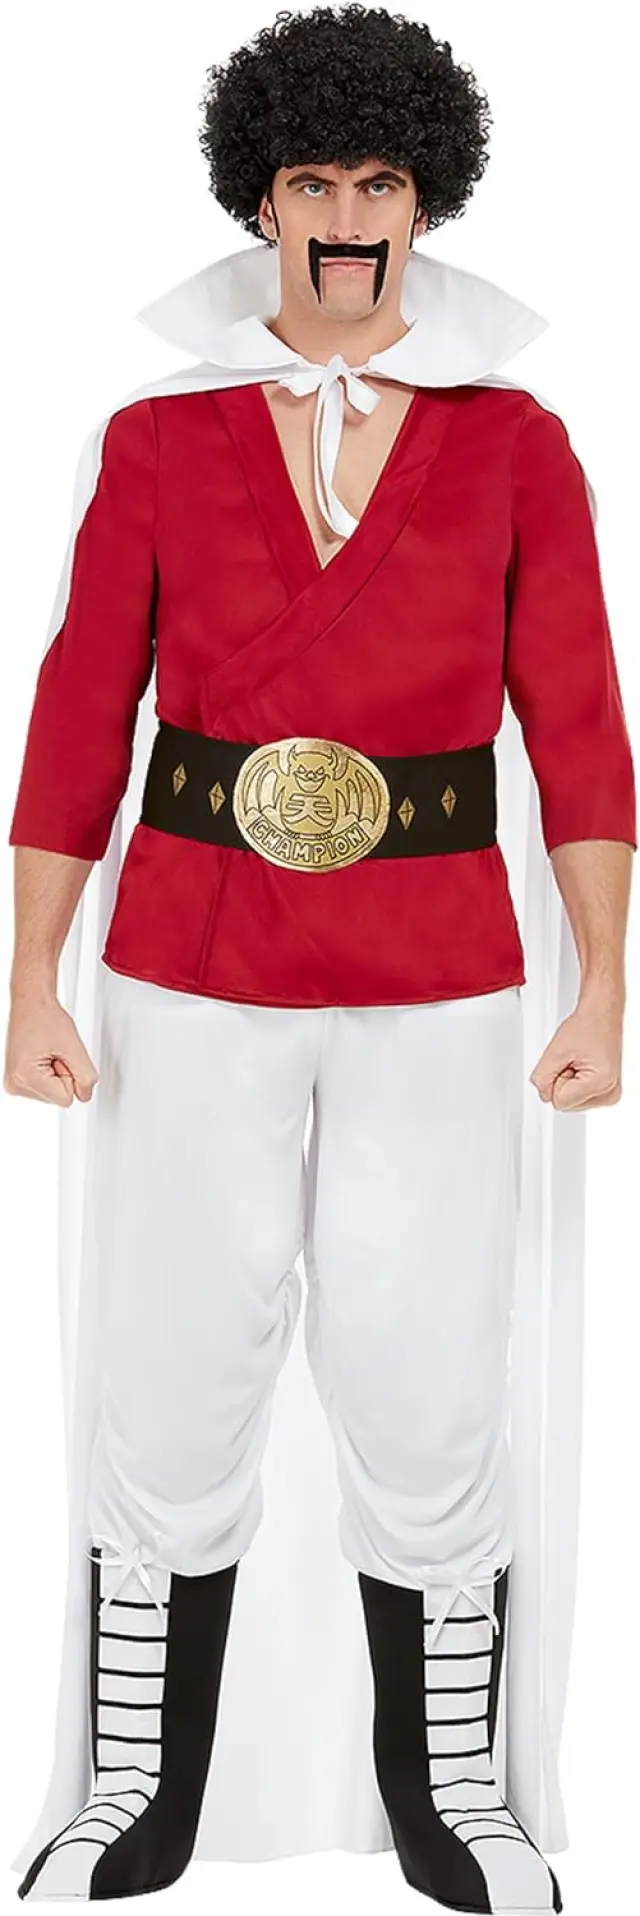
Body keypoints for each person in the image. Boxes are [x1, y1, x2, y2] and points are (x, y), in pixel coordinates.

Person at [4, 5, 636, 1909]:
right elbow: (77, 717)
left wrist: (603, 981)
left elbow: (581, 727)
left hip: (438, 976)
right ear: (262, 201)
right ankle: (132, 1789)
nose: (347, 217)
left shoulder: (519, 445)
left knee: (429, 1371)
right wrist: (30, 979)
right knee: (171, 1363)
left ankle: (462, 1794)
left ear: (423, 204)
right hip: (191, 965)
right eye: (313, 182)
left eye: (379, 183)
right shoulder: (156, 439)